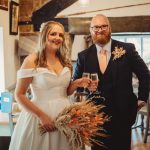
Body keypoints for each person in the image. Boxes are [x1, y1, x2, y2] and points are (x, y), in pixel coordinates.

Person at [9, 21, 90, 150]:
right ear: (44, 36)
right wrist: (42, 116)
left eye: (60, 35)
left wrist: (76, 83)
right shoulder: (32, 60)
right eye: (53, 34)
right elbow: (19, 95)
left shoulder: (65, 61)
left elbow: (65, 92)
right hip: (39, 116)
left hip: (65, 115)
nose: (57, 38)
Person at [73, 14, 150, 150]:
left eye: (103, 26)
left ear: (110, 28)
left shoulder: (127, 49)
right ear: (90, 30)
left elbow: (145, 74)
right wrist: (85, 87)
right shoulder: (83, 56)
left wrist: (142, 99)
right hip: (95, 117)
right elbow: (76, 85)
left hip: (123, 114)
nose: (100, 30)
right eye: (96, 27)